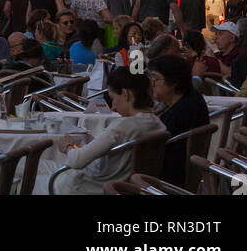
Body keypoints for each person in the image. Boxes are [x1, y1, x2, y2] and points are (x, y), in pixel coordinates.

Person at [52, 67, 166, 195]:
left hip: (87, 188)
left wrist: (67, 147)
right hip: (127, 187)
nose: (113, 107)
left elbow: (77, 160)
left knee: (32, 171)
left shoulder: (123, 126)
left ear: (125, 94)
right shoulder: (158, 124)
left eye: (113, 98)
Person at [149, 53, 210, 188]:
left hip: (166, 179)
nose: (152, 84)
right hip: (188, 174)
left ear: (173, 84)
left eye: (156, 79)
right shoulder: (193, 98)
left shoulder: (176, 115)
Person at [212, 21, 247, 88]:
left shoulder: (240, 55)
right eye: (216, 34)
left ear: (232, 38)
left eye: (220, 34)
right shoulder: (219, 54)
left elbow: (233, 74)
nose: (216, 37)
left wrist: (213, 59)